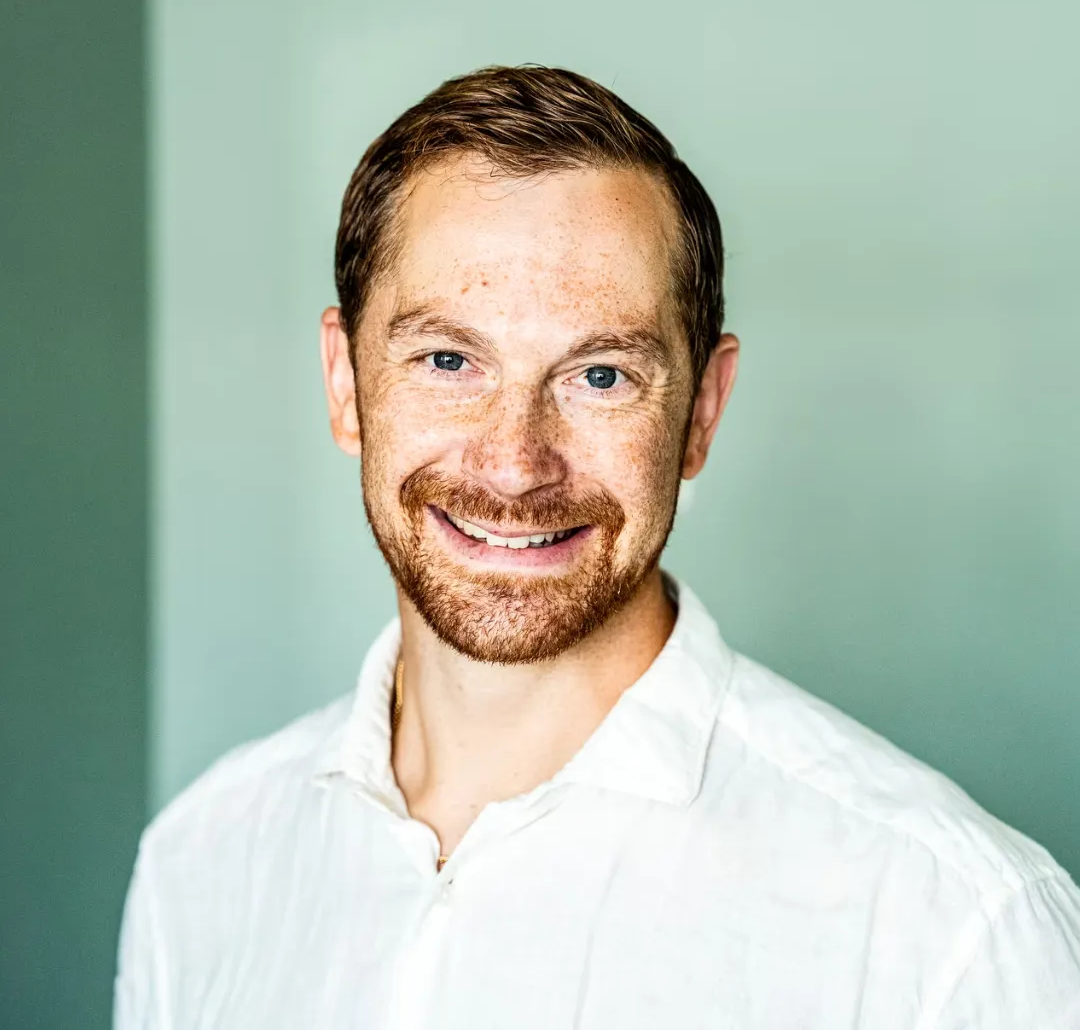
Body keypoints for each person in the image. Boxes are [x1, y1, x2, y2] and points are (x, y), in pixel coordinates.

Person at [114, 65, 1080, 1029]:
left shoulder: (954, 930)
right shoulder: (201, 864)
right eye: (448, 360)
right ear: (345, 383)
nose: (514, 464)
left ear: (702, 411)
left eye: (602, 375)